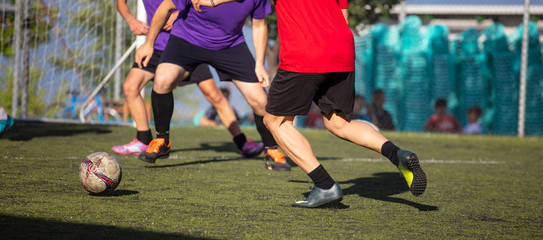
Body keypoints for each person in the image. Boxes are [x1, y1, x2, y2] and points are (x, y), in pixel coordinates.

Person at [262, 0, 427, 207]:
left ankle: (324, 185)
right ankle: (397, 155)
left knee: (275, 122)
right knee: (339, 123)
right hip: (341, 50)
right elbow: (343, 15)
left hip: (305, 52)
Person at [135, 0, 290, 171]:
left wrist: (260, 63)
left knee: (260, 100)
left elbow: (259, 24)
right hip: (187, 39)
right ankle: (161, 141)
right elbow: (165, 7)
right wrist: (149, 43)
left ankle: (271, 150)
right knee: (163, 79)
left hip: (230, 45)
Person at [112, 0, 264, 160]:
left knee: (214, 95)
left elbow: (190, 4)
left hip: (187, 42)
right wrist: (130, 19)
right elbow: (121, 3)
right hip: (156, 46)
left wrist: (178, 12)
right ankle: (144, 139)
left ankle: (242, 142)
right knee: (131, 86)